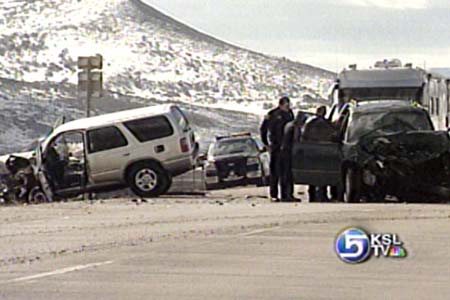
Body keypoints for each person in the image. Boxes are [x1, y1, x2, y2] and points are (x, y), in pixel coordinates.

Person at [260, 97, 294, 202]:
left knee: (287, 172)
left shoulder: (290, 114)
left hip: (288, 147)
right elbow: (263, 129)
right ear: (281, 105)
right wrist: (266, 144)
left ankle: (287, 195)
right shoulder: (273, 114)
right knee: (275, 172)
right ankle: (274, 195)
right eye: (286, 105)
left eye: (289, 105)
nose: (288, 107)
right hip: (276, 147)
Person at [302, 106, 332, 202]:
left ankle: (312, 194)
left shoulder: (310, 123)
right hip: (323, 151)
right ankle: (322, 194)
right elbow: (331, 136)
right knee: (323, 173)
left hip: (312, 150)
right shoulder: (326, 124)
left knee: (313, 174)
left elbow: (304, 136)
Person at [280, 111, 307, 202]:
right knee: (288, 174)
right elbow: (296, 140)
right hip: (289, 152)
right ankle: (288, 195)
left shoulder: (288, 125)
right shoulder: (295, 127)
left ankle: (284, 195)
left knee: (284, 174)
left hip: (284, 151)